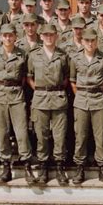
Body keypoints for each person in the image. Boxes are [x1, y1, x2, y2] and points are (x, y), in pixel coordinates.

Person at [0, 23, 36, 185]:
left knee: (21, 132)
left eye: (11, 35)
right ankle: (6, 166)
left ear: (16, 37)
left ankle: (27, 164)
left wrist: (14, 88)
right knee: (2, 133)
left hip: (17, 96)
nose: (8, 38)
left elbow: (25, 76)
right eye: (5, 35)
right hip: (0, 96)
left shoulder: (23, 54)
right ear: (1, 37)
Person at [69, 28, 103, 185]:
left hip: (98, 99)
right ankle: (80, 167)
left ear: (97, 42)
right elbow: (72, 81)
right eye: (87, 40)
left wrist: (99, 93)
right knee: (80, 135)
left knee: (100, 135)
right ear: (82, 42)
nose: (89, 43)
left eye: (92, 41)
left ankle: (102, 167)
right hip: (81, 99)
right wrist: (80, 94)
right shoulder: (75, 59)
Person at [27, 24, 69, 186]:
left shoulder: (63, 55)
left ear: (56, 36)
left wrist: (56, 88)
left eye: (52, 34)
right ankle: (43, 167)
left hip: (58, 98)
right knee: (41, 134)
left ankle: (59, 167)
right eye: (45, 35)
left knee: (59, 135)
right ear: (41, 36)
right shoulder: (34, 55)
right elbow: (29, 76)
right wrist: (39, 89)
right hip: (40, 98)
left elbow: (66, 76)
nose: (49, 37)